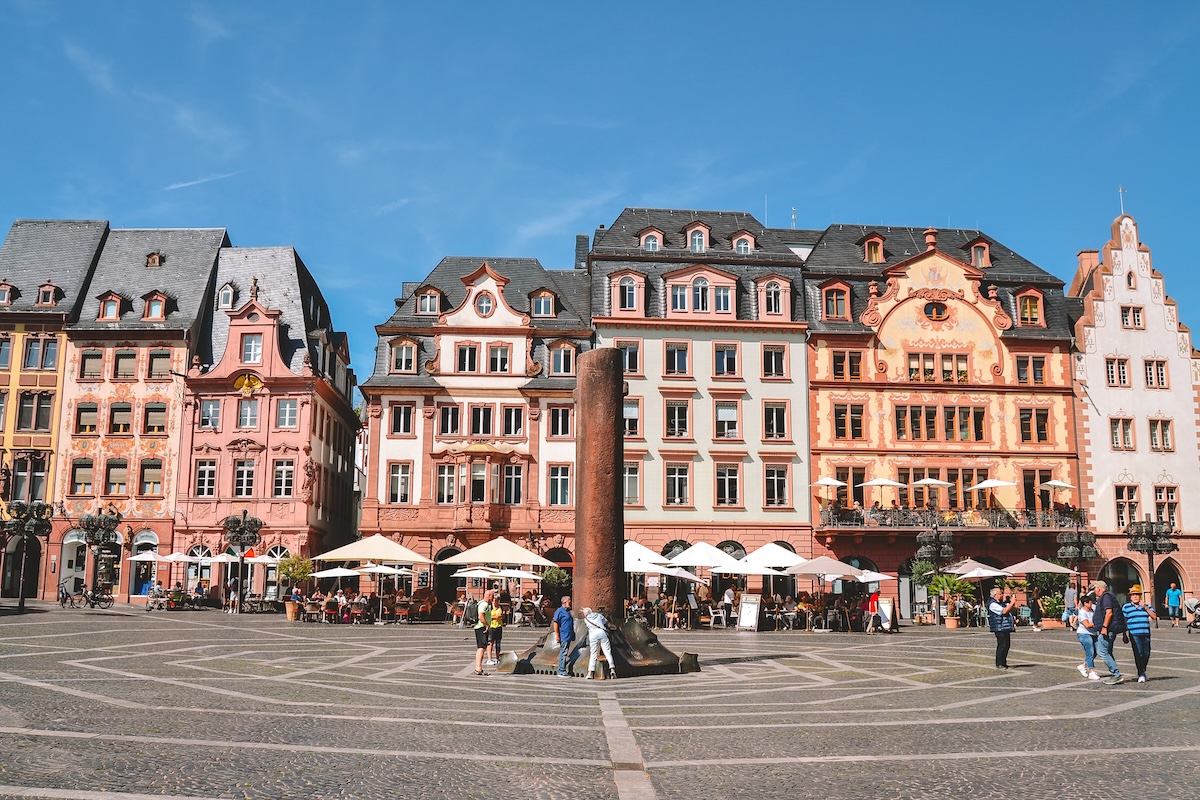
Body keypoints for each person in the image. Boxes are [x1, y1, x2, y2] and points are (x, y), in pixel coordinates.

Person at [1123, 584, 1157, 683]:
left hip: (1145, 633)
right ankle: (1141, 673)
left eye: (1137, 594)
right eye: (1133, 595)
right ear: (1130, 596)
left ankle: (1143, 671)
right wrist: (1124, 635)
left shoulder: (1146, 606)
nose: (1135, 596)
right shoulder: (1126, 607)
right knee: (1139, 654)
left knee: (1146, 654)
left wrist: (1146, 607)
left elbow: (1154, 617)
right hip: (1134, 634)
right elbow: (1123, 621)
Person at [1092, 580, 1123, 685]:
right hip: (1108, 629)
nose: (1094, 590)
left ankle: (1116, 674)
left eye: (1095, 588)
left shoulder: (1106, 597)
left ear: (1099, 588)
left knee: (1102, 652)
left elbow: (1109, 613)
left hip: (1107, 630)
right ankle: (1115, 674)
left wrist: (1104, 627)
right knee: (1107, 652)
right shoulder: (1107, 596)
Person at [986, 586, 1018, 669]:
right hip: (999, 627)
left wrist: (1012, 601)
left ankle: (1004, 662)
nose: (1002, 595)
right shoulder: (992, 604)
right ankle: (999, 663)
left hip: (1005, 627)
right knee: (1002, 645)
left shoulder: (1000, 603)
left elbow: (1008, 609)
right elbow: (1003, 611)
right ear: (995, 595)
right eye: (1000, 593)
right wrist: (1012, 603)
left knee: (1006, 645)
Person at [1072, 593, 1101, 680]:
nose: (1091, 605)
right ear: (1085, 603)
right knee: (1090, 651)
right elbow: (1087, 625)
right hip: (1084, 633)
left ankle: (1083, 666)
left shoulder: (1093, 609)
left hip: (1093, 633)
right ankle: (1091, 671)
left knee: (1097, 651)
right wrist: (1098, 623)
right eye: (1089, 603)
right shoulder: (1082, 613)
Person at [583, 606, 616, 680]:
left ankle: (590, 673)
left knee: (593, 654)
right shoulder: (599, 615)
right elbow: (607, 623)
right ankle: (612, 669)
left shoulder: (586, 619)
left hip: (593, 635)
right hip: (602, 633)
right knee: (607, 652)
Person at [473, 589, 494, 676]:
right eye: (492, 596)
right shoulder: (484, 604)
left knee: (481, 647)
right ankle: (478, 668)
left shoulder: (481, 603)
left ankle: (479, 667)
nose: (493, 598)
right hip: (482, 627)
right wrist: (486, 625)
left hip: (481, 627)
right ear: (488, 596)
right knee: (481, 647)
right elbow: (481, 616)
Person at [552, 595, 575, 677]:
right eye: (569, 601)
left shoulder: (568, 611)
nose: (571, 603)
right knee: (563, 652)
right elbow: (556, 623)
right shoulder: (559, 611)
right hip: (563, 635)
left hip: (568, 635)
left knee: (564, 652)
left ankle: (562, 669)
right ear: (565, 602)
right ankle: (561, 670)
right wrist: (557, 635)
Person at [486, 592, 505, 666]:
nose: (495, 601)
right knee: (490, 643)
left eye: (497, 600)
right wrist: (495, 617)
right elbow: (487, 616)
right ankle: (489, 659)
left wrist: (502, 616)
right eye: (494, 600)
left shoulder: (500, 607)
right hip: (491, 627)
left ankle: (497, 658)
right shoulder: (490, 607)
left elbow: (503, 616)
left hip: (499, 626)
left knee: (498, 644)